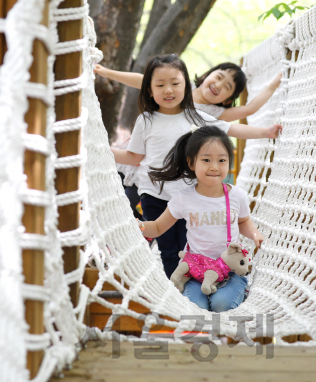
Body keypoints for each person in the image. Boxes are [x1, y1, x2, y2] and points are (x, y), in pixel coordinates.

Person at [111, 54, 280, 279]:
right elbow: (133, 157)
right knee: (168, 250)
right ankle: (176, 293)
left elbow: (232, 130)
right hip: (154, 195)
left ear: (185, 86)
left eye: (175, 84)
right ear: (150, 90)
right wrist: (103, 150)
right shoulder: (146, 120)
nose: (168, 90)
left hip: (187, 197)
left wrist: (266, 133)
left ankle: (194, 289)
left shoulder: (195, 117)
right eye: (160, 85)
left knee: (187, 249)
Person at [137, 126, 265, 311]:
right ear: (191, 163)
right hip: (196, 272)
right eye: (206, 160)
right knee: (195, 307)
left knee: (222, 304)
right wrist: (138, 226)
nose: (214, 167)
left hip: (229, 271)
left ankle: (236, 294)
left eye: (221, 160)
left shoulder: (237, 196)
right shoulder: (184, 199)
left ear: (229, 162)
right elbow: (157, 227)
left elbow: (243, 222)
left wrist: (255, 234)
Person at [95, 62, 283, 122]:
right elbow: (146, 82)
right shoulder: (182, 87)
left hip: (165, 163)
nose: (218, 85)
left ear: (227, 100)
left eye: (227, 87)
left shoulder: (217, 113)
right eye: (218, 77)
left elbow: (249, 109)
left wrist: (274, 84)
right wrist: (107, 73)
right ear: (207, 75)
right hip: (146, 141)